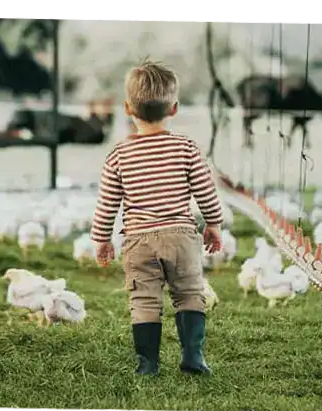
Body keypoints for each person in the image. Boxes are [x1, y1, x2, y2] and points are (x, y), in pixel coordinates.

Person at [90, 60, 224, 376]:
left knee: (144, 300)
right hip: (181, 236)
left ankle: (147, 364)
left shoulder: (118, 154)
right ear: (174, 109)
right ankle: (193, 357)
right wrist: (214, 225)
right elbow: (206, 191)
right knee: (189, 293)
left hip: (139, 241)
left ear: (127, 108)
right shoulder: (187, 148)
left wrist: (101, 238)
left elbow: (107, 202)